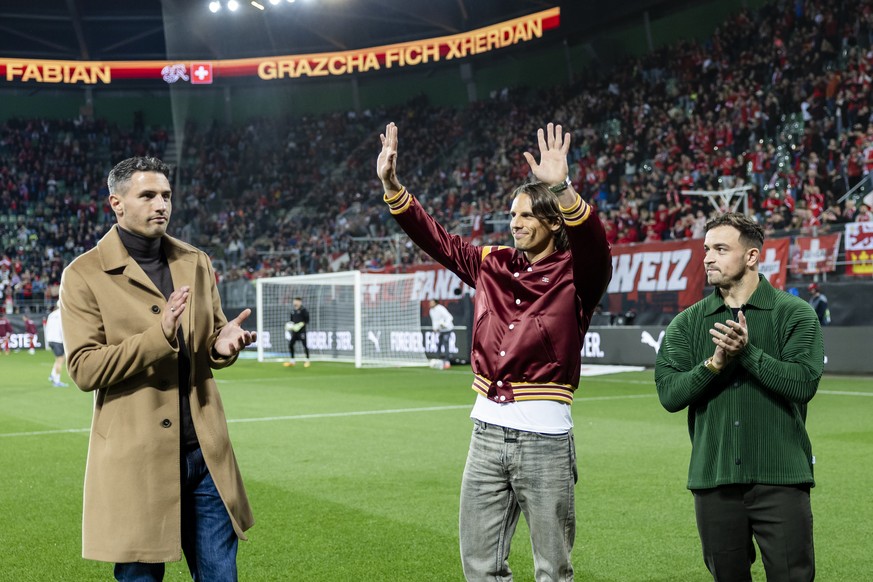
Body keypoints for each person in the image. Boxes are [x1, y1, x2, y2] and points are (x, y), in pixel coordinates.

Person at [377, 122, 612, 580]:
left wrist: (562, 188)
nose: (515, 223)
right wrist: (392, 187)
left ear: (552, 221)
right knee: (480, 566)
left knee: (552, 569)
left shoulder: (578, 275)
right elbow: (437, 240)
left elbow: (595, 246)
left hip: (545, 440)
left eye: (526, 215)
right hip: (484, 434)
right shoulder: (492, 263)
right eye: (512, 215)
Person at [59, 156, 255, 581]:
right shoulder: (83, 275)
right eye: (147, 195)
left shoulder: (195, 261)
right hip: (137, 456)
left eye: (166, 195)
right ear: (117, 203)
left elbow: (211, 338)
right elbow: (84, 368)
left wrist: (223, 346)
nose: (161, 204)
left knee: (222, 576)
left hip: (205, 452)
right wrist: (158, 334)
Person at [655, 212, 822, 581]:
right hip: (714, 481)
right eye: (705, 250)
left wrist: (747, 353)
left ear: (751, 257)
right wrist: (713, 365)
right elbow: (669, 394)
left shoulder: (795, 314)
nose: (708, 258)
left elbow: (803, 383)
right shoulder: (687, 323)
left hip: (781, 478)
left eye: (720, 249)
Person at [283, 296, 310, 368]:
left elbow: (307, 320)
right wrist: (289, 325)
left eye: (297, 301)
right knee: (291, 344)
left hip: (302, 331)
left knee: (304, 345)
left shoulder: (304, 310)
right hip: (294, 331)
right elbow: (291, 321)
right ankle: (292, 361)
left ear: (300, 302)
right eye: (294, 301)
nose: (295, 302)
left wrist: (300, 324)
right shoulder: (293, 311)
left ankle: (307, 360)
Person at [44, 305, 68, 386]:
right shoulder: (62, 314)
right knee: (60, 360)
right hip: (58, 340)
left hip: (51, 339)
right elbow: (63, 328)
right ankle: (56, 380)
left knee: (59, 359)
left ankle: (52, 374)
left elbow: (47, 327)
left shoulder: (51, 315)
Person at [428, 299, 454, 369]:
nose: (430, 304)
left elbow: (450, 317)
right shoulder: (431, 311)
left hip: (447, 329)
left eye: (432, 302)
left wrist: (445, 324)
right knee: (438, 344)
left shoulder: (440, 308)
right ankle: (439, 360)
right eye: (430, 302)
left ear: (436, 303)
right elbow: (434, 320)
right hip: (440, 330)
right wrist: (435, 328)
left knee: (446, 344)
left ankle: (447, 361)